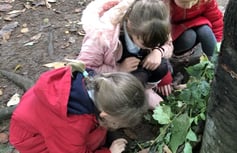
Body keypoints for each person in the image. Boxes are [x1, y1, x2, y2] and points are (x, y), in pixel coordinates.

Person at [9, 60, 148, 153]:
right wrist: (109, 151)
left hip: (45, 122)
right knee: (94, 138)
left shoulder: (92, 81)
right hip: (31, 139)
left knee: (98, 133)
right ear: (104, 114)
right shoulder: (71, 125)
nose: (117, 127)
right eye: (116, 124)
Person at [76, 0, 173, 108]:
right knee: (138, 78)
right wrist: (119, 69)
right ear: (130, 26)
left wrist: (159, 51)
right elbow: (84, 68)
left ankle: (147, 89)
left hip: (139, 66)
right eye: (145, 43)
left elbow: (168, 44)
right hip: (114, 77)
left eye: (155, 44)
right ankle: (131, 98)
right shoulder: (101, 37)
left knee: (161, 66)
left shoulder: (157, 24)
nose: (151, 47)